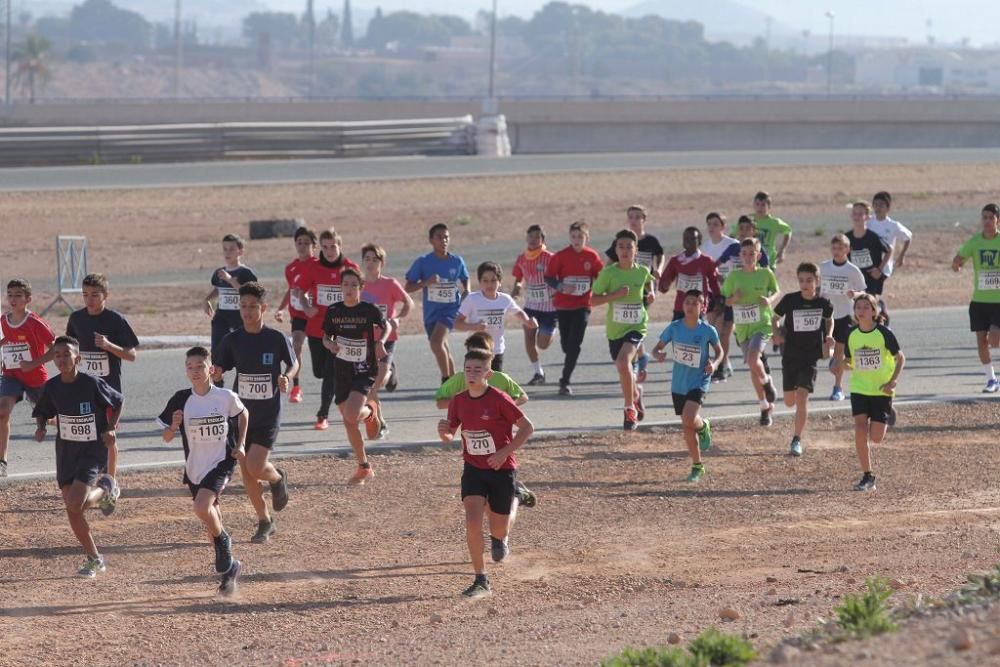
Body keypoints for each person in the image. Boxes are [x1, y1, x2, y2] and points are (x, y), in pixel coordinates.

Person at [437, 347, 535, 599]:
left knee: (499, 530)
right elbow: (450, 434)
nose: (472, 374)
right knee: (472, 519)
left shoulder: (500, 398)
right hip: (474, 468)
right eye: (468, 369)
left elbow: (527, 428)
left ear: (488, 373)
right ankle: (481, 579)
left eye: (477, 369)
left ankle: (516, 498)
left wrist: (504, 452)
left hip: (501, 469)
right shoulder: (458, 400)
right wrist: (444, 431)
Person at [211, 282, 298, 543]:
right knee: (247, 473)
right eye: (243, 306)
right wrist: (214, 374)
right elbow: (219, 368)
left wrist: (286, 377)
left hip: (268, 413)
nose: (247, 311)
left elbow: (293, 363)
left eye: (253, 307)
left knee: (256, 465)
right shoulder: (233, 339)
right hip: (241, 415)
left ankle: (277, 477)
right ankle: (264, 521)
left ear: (263, 308)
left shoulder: (276, 338)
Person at [158, 346, 247, 596]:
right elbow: (166, 437)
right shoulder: (180, 399)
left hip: (221, 461)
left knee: (201, 508)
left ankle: (224, 541)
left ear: (211, 369)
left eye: (200, 366)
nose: (195, 371)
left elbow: (244, 414)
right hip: (195, 466)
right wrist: (174, 425)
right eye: (190, 367)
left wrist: (239, 445)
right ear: (186, 371)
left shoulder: (225, 397)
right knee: (211, 520)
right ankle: (229, 570)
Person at [32, 336, 123, 577]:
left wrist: (111, 427)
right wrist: (41, 427)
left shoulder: (91, 383)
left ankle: (106, 487)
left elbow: (117, 401)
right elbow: (42, 410)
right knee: (73, 509)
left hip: (92, 451)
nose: (62, 359)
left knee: (74, 503)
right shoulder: (52, 387)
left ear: (78, 358)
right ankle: (95, 558)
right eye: (57, 355)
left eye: (67, 354)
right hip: (66, 452)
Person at [322, 268, 388, 485]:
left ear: (361, 288)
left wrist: (380, 342)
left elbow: (385, 326)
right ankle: (363, 466)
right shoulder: (333, 311)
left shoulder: (368, 310)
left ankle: (370, 412)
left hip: (363, 368)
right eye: (345, 284)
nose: (349, 289)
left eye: (353, 285)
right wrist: (330, 344)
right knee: (349, 421)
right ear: (340, 287)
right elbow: (325, 337)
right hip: (341, 369)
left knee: (351, 415)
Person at [651, 290, 723, 483]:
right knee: (687, 424)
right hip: (679, 383)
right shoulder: (674, 328)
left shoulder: (708, 330)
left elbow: (720, 351)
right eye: (687, 302)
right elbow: (656, 348)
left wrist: (714, 365)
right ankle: (697, 465)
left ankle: (702, 427)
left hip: (699, 380)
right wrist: (658, 354)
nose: (690, 306)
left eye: (695, 303)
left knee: (688, 417)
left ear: (702, 307)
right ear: (682, 306)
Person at [295, 228, 359, 430]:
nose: (329, 251)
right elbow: (300, 291)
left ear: (340, 246)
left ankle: (322, 415)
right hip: (316, 328)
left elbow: (358, 296)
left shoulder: (350, 268)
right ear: (320, 248)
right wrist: (306, 307)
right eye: (325, 247)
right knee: (319, 372)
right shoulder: (313, 267)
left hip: (339, 329)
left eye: (333, 246)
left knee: (330, 373)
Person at [591, 229, 655, 431]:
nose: (625, 250)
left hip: (637, 326)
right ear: (615, 250)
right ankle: (636, 394)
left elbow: (648, 284)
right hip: (615, 331)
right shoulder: (608, 273)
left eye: (629, 247)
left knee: (623, 361)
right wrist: (615, 295)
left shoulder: (642, 271)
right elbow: (592, 300)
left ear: (636, 251)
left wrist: (651, 294)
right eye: (621, 247)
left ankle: (629, 410)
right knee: (623, 370)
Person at [841, 293, 905, 492]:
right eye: (858, 307)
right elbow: (850, 361)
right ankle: (868, 475)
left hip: (881, 390)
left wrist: (893, 381)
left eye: (865, 307)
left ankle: (888, 412)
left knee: (876, 437)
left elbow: (900, 358)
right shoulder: (851, 334)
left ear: (874, 311)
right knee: (860, 429)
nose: (861, 311)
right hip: (859, 389)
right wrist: (841, 364)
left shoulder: (884, 333)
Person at [771, 263, 834, 456]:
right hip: (790, 356)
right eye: (801, 280)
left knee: (802, 398)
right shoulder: (790, 300)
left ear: (817, 281)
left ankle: (796, 439)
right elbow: (774, 317)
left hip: (810, 357)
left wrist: (829, 335)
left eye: (809, 280)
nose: (805, 284)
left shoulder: (824, 304)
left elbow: (829, 319)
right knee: (790, 401)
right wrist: (776, 334)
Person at [720, 238, 780, 426]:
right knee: (753, 366)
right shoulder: (734, 276)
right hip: (742, 328)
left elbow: (776, 291)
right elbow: (727, 301)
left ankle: (767, 382)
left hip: (761, 324)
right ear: (740, 256)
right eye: (744, 254)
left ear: (758, 255)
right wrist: (734, 298)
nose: (747, 257)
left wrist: (770, 300)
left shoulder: (765, 274)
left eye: (751, 253)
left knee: (754, 359)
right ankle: (764, 407)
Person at [0, 279, 55, 478]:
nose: (13, 299)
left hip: (35, 377)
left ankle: (62, 422)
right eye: (10, 295)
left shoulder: (35, 323)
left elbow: (57, 348)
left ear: (28, 299)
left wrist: (33, 363)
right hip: (11, 375)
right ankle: (2, 461)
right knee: (2, 412)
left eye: (18, 295)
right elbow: (7, 338)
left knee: (51, 418)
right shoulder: (3, 321)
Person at [605, 205, 666, 382]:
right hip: (624, 290)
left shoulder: (651, 241)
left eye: (638, 217)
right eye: (631, 217)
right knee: (631, 321)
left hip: (644, 289)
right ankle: (641, 356)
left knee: (637, 319)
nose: (634, 220)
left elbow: (661, 255)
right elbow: (609, 261)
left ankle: (638, 358)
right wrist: (605, 276)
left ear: (644, 220)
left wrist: (658, 269)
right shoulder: (621, 241)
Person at [405, 223, 470, 384]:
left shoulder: (457, 261)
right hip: (431, 313)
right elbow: (408, 287)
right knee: (442, 347)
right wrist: (425, 282)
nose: (444, 240)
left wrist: (466, 290)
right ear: (431, 240)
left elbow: (465, 277)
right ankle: (455, 382)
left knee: (436, 342)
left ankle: (446, 380)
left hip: (451, 309)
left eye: (446, 237)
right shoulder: (423, 262)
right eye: (439, 237)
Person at [544, 221, 604, 396]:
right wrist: (561, 286)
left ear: (587, 238)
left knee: (574, 345)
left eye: (580, 237)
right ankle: (568, 362)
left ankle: (565, 381)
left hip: (582, 305)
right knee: (566, 344)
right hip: (563, 306)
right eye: (573, 236)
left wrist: (598, 287)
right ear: (569, 237)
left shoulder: (592, 256)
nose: (577, 240)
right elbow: (549, 277)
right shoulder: (561, 256)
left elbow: (601, 276)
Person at [360, 243, 413, 437]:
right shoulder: (358, 286)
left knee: (377, 382)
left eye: (375, 260)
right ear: (363, 262)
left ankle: (390, 371)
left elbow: (409, 303)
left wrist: (397, 318)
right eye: (367, 259)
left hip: (386, 338)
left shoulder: (389, 284)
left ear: (381, 263)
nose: (371, 263)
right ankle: (380, 422)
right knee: (370, 385)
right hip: (365, 342)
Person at [714, 215, 771, 383]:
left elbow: (767, 275)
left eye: (748, 229)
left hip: (754, 302)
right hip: (736, 299)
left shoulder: (760, 252)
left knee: (748, 340)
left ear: (754, 231)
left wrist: (766, 295)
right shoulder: (733, 249)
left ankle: (760, 360)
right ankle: (725, 365)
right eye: (741, 228)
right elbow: (715, 265)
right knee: (726, 332)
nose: (744, 232)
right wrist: (723, 280)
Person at [951, 203, 1000, 393]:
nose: (987, 221)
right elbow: (959, 259)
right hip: (980, 301)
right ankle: (991, 380)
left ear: (998, 220)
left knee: (995, 337)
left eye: (991, 217)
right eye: (984, 217)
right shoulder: (975, 242)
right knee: (982, 341)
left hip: (999, 301)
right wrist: (957, 263)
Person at [456, 261, 537, 372]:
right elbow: (457, 323)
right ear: (479, 282)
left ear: (499, 282)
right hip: (476, 350)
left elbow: (518, 312)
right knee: (476, 384)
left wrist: (527, 321)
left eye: (493, 280)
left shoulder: (505, 299)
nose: (489, 284)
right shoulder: (472, 299)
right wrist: (474, 327)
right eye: (485, 280)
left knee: (495, 384)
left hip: (496, 350)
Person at [203, 234, 257, 385]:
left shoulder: (246, 273)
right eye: (225, 249)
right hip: (222, 318)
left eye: (231, 249)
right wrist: (208, 299)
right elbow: (218, 289)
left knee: (243, 353)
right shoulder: (218, 273)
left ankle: (242, 387)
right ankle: (218, 388)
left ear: (240, 251)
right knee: (217, 353)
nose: (227, 253)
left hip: (242, 318)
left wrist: (229, 279)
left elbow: (247, 292)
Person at [820, 234, 868, 401]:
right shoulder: (824, 267)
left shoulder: (852, 270)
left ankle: (837, 388)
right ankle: (834, 360)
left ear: (847, 250)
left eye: (841, 248)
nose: (837, 251)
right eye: (834, 248)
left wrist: (855, 294)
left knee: (839, 351)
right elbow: (818, 288)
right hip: (825, 315)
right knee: (826, 352)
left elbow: (863, 291)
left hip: (844, 315)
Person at [275, 226, 318, 404]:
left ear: (314, 246)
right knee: (297, 345)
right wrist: (280, 308)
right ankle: (296, 387)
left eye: (306, 243)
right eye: (299, 243)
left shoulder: (318, 265)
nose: (302, 246)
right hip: (298, 315)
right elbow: (291, 290)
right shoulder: (291, 268)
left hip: (316, 314)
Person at [511, 224, 557, 386]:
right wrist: (516, 288)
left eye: (536, 237)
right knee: (529, 338)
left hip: (550, 309)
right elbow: (519, 277)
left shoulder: (550, 258)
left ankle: (551, 333)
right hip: (531, 306)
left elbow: (559, 278)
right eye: (530, 237)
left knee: (542, 344)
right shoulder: (522, 258)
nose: (533, 240)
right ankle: (538, 373)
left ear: (542, 240)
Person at [435, 332, 529, 409]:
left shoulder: (501, 378)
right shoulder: (460, 378)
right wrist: (462, 402)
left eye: (482, 355)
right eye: (473, 354)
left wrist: (506, 406)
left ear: (492, 355)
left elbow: (523, 397)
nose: (477, 358)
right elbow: (440, 403)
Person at [867, 191, 913, 322]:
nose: (878, 208)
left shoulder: (893, 225)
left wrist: (901, 256)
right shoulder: (869, 222)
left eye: (881, 205)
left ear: (888, 208)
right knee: (869, 292)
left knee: (873, 292)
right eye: (875, 205)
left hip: (884, 266)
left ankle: (880, 312)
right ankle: (879, 308)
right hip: (869, 264)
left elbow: (908, 237)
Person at [659, 226, 720, 321]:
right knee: (676, 336)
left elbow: (714, 282)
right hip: (680, 309)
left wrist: (718, 299)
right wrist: (665, 286)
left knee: (697, 336)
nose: (688, 241)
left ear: (699, 241)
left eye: (692, 239)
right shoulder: (676, 261)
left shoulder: (706, 261)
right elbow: (662, 287)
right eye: (686, 238)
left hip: (698, 309)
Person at [730, 191, 791, 265]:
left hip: (769, 260)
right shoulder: (748, 220)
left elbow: (788, 231)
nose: (760, 208)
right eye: (757, 204)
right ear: (754, 205)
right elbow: (732, 235)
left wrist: (782, 250)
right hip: (749, 259)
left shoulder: (775, 223)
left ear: (769, 207)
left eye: (763, 205)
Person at [847, 202, 891, 303]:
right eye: (854, 213)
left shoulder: (873, 237)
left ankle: (880, 308)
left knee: (870, 306)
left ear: (867, 217)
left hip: (871, 279)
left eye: (860, 214)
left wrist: (879, 269)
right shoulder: (847, 238)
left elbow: (889, 250)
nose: (857, 216)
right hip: (855, 280)